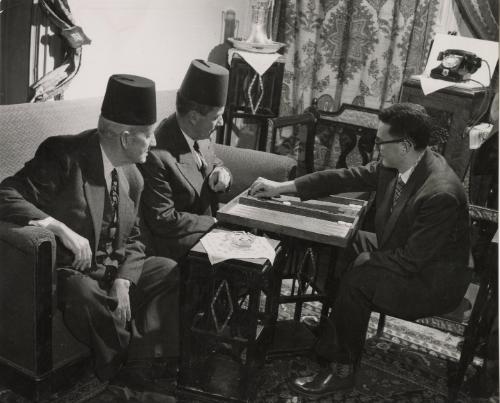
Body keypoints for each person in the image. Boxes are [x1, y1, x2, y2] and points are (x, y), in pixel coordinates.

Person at [249, 102, 470, 397]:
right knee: (343, 241)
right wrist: (281, 187)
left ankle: (342, 369)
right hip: (408, 253)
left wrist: (368, 260)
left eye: (381, 142)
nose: (377, 148)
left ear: (404, 146)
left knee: (360, 277)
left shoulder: (440, 192)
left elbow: (410, 262)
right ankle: (338, 328)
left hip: (431, 282)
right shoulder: (402, 164)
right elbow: (345, 177)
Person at [0, 75, 178, 400]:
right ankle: (121, 370)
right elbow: (6, 193)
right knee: (82, 292)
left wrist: (124, 280)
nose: (153, 144)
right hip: (72, 275)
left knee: (166, 268)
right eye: (148, 136)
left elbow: (136, 237)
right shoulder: (63, 155)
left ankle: (139, 367)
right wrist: (56, 226)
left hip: (110, 272)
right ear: (125, 138)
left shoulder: (134, 176)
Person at [139, 59, 231, 261]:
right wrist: (215, 223)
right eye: (218, 117)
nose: (222, 123)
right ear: (194, 116)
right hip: (178, 244)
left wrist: (221, 173)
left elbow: (213, 162)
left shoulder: (199, 131)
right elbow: (164, 219)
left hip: (207, 230)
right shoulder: (156, 154)